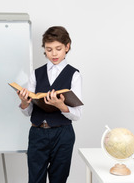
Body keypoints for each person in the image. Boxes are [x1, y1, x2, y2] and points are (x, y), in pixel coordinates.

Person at [17, 26, 82, 183]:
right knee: (35, 179)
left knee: (59, 179)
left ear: (67, 47)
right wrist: (24, 103)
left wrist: (60, 105)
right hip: (38, 133)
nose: (53, 54)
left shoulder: (74, 74)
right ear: (44, 49)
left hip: (63, 134)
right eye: (49, 49)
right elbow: (28, 112)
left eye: (58, 49)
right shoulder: (36, 74)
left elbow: (77, 114)